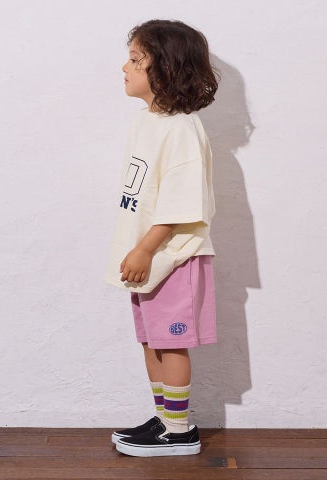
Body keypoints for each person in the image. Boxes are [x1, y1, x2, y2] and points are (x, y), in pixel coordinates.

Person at [104, 19, 220, 457]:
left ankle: (179, 431)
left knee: (171, 342)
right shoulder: (149, 121)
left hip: (173, 257)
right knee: (151, 339)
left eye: (135, 60)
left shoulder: (182, 129)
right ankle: (164, 418)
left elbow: (182, 202)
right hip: (150, 257)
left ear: (165, 70)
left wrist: (144, 249)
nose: (125, 67)